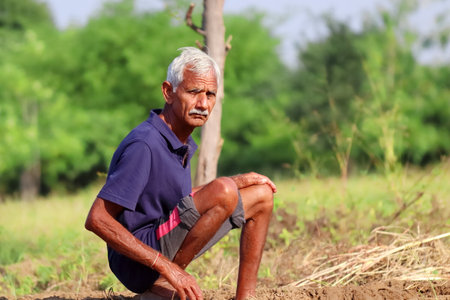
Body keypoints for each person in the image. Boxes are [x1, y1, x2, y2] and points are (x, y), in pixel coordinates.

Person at [85, 47, 276, 300]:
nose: (203, 104)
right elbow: (97, 219)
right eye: (194, 92)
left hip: (164, 238)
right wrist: (168, 269)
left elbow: (180, 206)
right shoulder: (145, 145)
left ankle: (246, 297)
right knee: (224, 191)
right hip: (139, 262)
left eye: (210, 94)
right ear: (168, 92)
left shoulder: (178, 140)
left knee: (261, 196)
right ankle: (160, 286)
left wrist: (237, 181)